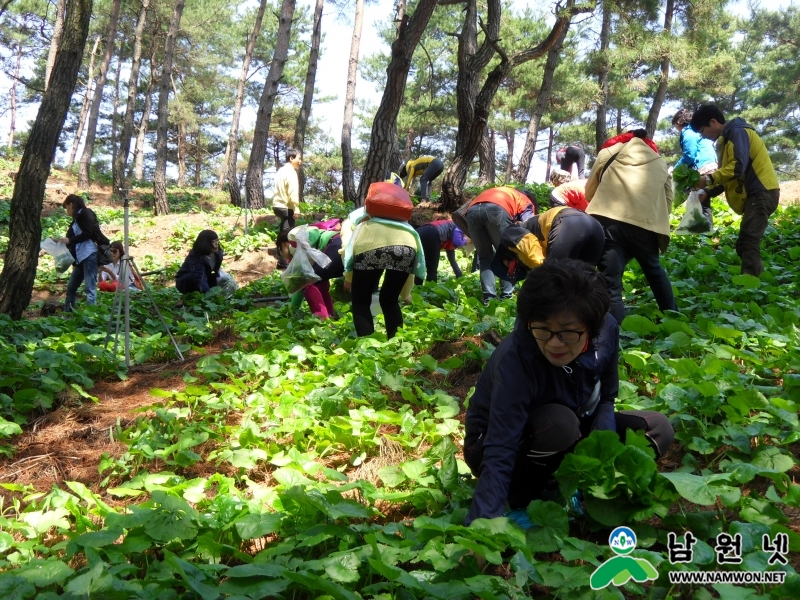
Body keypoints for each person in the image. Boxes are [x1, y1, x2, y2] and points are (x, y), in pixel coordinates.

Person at [464, 259, 674, 525]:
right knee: (559, 424)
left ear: (591, 327)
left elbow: (606, 398)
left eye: (568, 334)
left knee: (657, 428)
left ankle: (581, 492)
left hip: (574, 425)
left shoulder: (607, 330)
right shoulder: (517, 359)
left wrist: (601, 452)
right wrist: (482, 521)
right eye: (543, 330)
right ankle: (526, 498)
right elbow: (501, 447)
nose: (554, 344)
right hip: (509, 443)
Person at [585, 129, 677, 324]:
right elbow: (668, 200)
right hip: (645, 227)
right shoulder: (659, 161)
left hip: (609, 221)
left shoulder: (609, 153)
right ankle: (672, 317)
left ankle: (616, 333)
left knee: (611, 281)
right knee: (654, 272)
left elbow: (590, 191)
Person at [690, 104, 781, 276]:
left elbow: (737, 167)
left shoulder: (737, 132)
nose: (703, 136)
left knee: (748, 241)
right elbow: (728, 176)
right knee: (743, 244)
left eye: (702, 130)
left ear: (713, 122)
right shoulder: (726, 140)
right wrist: (707, 191)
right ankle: (757, 279)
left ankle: (752, 286)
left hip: (761, 192)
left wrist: (708, 179)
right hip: (756, 195)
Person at [342, 207, 426, 339]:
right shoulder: (405, 226)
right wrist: (405, 294)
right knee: (390, 300)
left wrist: (348, 278)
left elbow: (347, 252)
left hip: (369, 248)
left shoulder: (357, 223)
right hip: (407, 248)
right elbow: (410, 272)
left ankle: (367, 347)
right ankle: (396, 346)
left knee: (361, 301)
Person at [491, 207, 605, 284]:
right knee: (586, 286)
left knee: (552, 281)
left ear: (506, 254)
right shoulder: (545, 245)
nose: (515, 269)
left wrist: (545, 272)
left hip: (569, 223)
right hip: (595, 227)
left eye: (509, 266)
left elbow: (533, 250)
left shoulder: (510, 233)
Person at [464, 186, 536, 303]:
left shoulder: (505, 192)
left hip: (471, 212)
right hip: (496, 210)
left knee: (485, 258)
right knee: (509, 255)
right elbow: (529, 225)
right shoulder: (526, 202)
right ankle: (506, 298)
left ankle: (489, 300)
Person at [277, 225, 344, 319]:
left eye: (280, 250)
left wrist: (292, 310)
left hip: (336, 245)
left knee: (308, 281)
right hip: (343, 245)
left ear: (283, 244)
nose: (282, 255)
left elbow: (303, 282)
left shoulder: (294, 245)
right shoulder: (304, 240)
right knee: (320, 280)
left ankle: (322, 318)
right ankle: (329, 315)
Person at [57, 194, 107, 311]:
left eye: (67, 208)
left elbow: (87, 233)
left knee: (90, 288)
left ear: (71, 205)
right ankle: (68, 314)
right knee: (71, 288)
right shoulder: (75, 221)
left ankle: (91, 316)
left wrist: (69, 240)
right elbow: (71, 239)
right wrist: (60, 242)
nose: (67, 211)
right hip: (79, 258)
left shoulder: (86, 213)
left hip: (89, 254)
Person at [175, 230, 237, 295]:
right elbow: (200, 277)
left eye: (217, 241)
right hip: (186, 282)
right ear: (205, 244)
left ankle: (226, 298)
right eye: (213, 242)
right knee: (195, 278)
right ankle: (195, 297)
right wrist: (207, 296)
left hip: (205, 276)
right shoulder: (195, 257)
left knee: (226, 278)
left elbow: (216, 272)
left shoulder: (217, 254)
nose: (216, 244)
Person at [273, 148, 302, 269]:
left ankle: (281, 256)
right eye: (299, 158)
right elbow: (293, 191)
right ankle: (283, 260)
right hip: (286, 206)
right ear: (291, 158)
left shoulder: (281, 170)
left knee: (284, 230)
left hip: (277, 205)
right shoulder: (291, 172)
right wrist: (296, 207)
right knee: (288, 234)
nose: (300, 161)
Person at [414, 219, 469, 283]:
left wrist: (459, 276)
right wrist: (465, 241)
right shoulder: (459, 225)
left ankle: (417, 288)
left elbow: (452, 258)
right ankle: (429, 291)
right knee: (432, 270)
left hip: (419, 231)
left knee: (419, 264)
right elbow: (457, 242)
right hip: (431, 233)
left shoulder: (449, 231)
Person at [671, 108, 718, 175]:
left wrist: (675, 169)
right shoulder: (696, 131)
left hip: (704, 168)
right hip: (712, 165)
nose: (676, 129)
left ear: (678, 122)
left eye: (675, 125)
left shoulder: (688, 132)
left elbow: (689, 156)